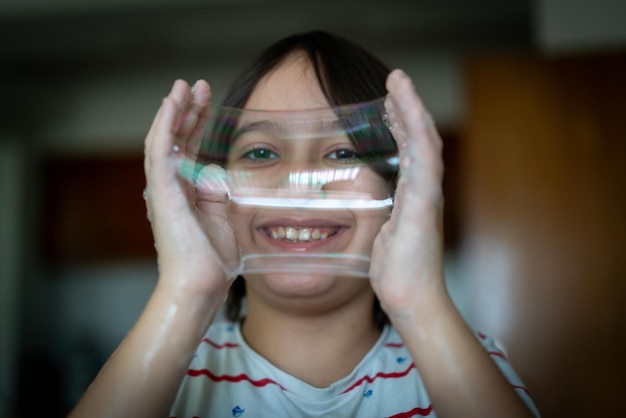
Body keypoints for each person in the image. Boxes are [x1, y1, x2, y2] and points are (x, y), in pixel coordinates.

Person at [68, 31, 539, 417]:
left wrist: (420, 302)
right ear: (216, 194)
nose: (297, 183)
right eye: (261, 152)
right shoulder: (156, 381)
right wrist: (187, 294)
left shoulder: (462, 366)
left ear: (400, 190)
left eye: (342, 153)